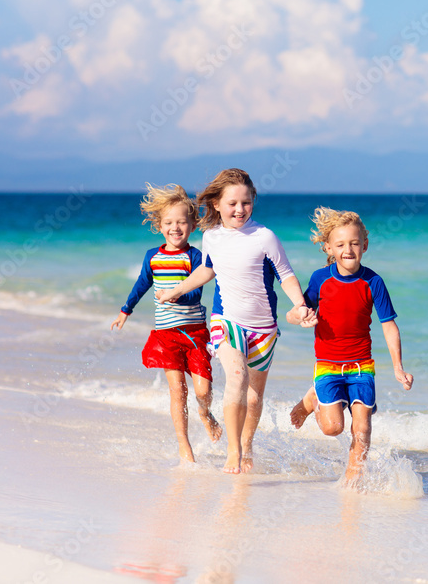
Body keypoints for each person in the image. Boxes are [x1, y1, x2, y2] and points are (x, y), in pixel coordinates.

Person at [157, 168, 316, 474]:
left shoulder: (265, 237)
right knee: (237, 378)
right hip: (227, 321)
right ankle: (233, 451)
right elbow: (207, 270)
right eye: (232, 203)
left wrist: (301, 305)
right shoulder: (212, 237)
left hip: (264, 329)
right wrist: (176, 290)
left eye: (246, 202)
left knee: (254, 398)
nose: (240, 209)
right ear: (216, 203)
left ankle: (247, 445)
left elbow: (286, 275)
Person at [289, 207, 413, 486]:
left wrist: (398, 368)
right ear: (329, 247)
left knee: (363, 426)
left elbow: (389, 325)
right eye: (341, 244)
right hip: (328, 365)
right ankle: (312, 400)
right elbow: (295, 313)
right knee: (333, 428)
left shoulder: (373, 282)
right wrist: (299, 316)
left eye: (355, 243)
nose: (348, 249)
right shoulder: (321, 279)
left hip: (361, 366)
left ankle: (352, 480)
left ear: (365, 245)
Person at [112, 183, 222, 464]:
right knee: (178, 391)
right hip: (166, 334)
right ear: (159, 225)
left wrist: (177, 297)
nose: (176, 228)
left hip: (195, 332)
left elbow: (197, 291)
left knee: (202, 391)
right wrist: (126, 310)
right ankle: (184, 447)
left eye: (182, 222)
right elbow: (142, 284)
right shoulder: (153, 256)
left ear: (192, 225)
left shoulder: (195, 256)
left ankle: (205, 413)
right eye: (169, 222)